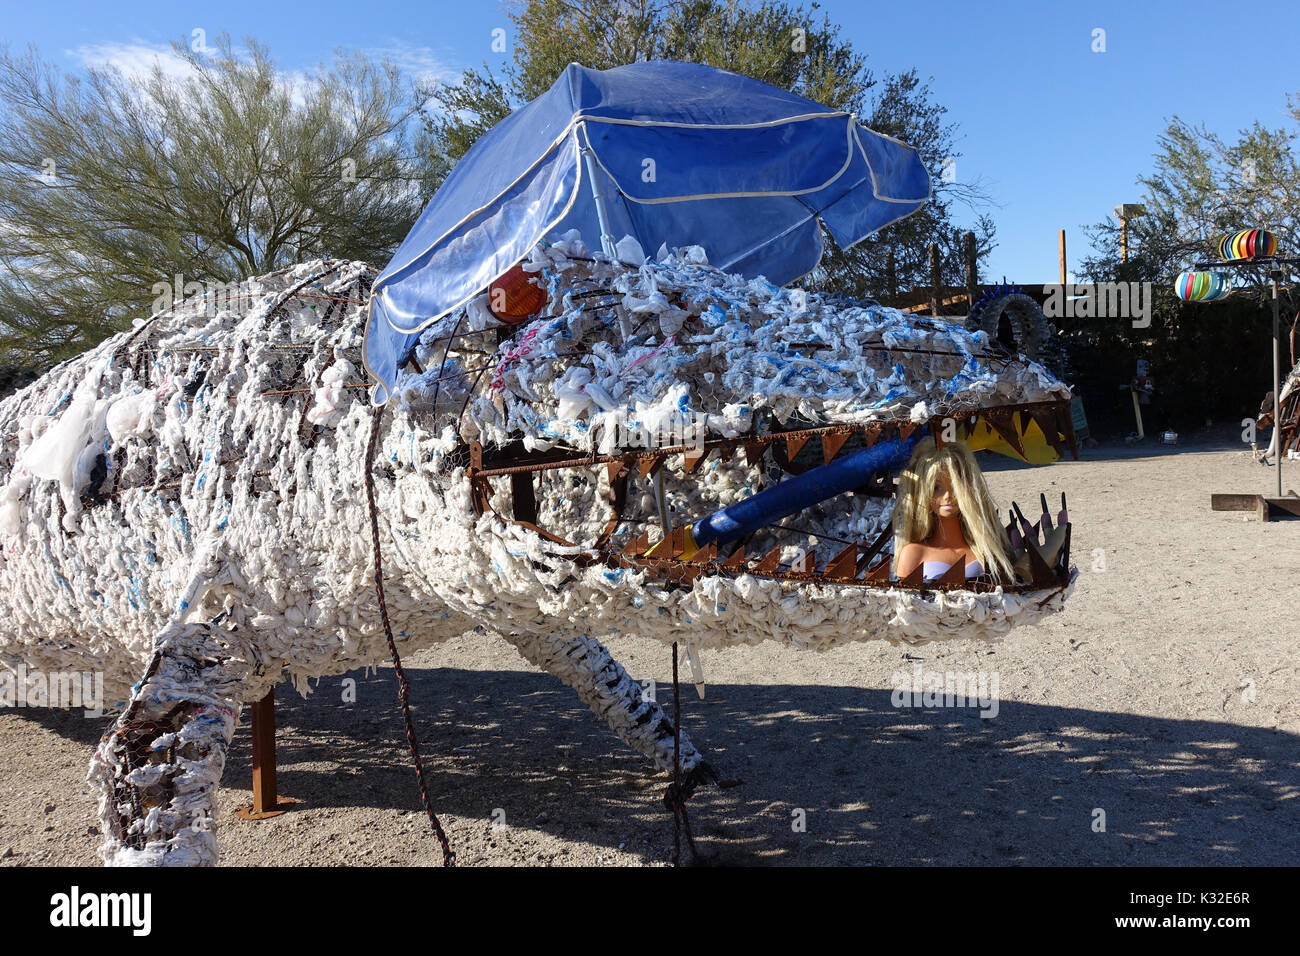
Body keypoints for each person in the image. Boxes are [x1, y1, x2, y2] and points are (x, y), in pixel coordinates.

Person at [892, 437, 1016, 584]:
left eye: (956, 487)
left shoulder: (987, 551)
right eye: (936, 488)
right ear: (923, 493)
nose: (948, 496)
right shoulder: (913, 554)